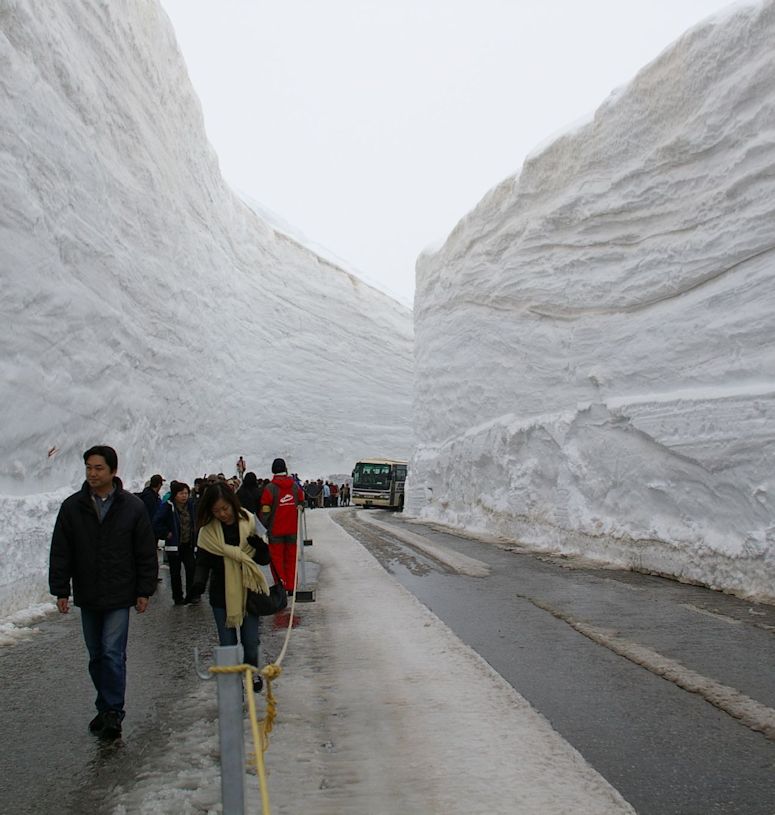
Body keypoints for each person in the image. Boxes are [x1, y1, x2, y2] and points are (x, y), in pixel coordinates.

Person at [48, 445, 158, 740]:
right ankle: (104, 706)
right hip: (88, 592)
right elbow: (61, 550)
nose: (93, 473)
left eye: (98, 468)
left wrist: (144, 589)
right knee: (96, 654)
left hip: (120, 594)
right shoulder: (73, 507)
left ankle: (113, 711)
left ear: (112, 471)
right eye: (89, 468)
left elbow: (145, 552)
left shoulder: (132, 507)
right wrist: (60, 589)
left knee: (112, 652)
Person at [188, 483, 270, 692]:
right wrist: (197, 584)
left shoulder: (250, 521)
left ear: (233, 504)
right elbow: (203, 562)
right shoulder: (208, 531)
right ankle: (234, 690)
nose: (222, 514)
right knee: (228, 645)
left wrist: (261, 548)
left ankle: (252, 672)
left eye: (225, 508)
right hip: (220, 595)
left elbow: (264, 558)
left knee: (251, 641)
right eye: (216, 511)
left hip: (249, 592)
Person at [259, 458, 305, 592]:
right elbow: (301, 503)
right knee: (291, 558)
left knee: (277, 560)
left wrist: (264, 526)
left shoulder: (270, 488)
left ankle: (281, 586)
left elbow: (265, 510)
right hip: (292, 529)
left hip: (276, 531)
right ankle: (291, 585)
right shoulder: (295, 486)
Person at [153, 481, 197, 605]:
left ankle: (191, 595)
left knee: (191, 567)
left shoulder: (190, 505)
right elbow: (156, 522)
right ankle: (178, 597)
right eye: (181, 493)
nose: (184, 496)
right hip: (174, 546)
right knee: (175, 573)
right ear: (175, 494)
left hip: (187, 544)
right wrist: (166, 533)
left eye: (186, 493)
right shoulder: (168, 506)